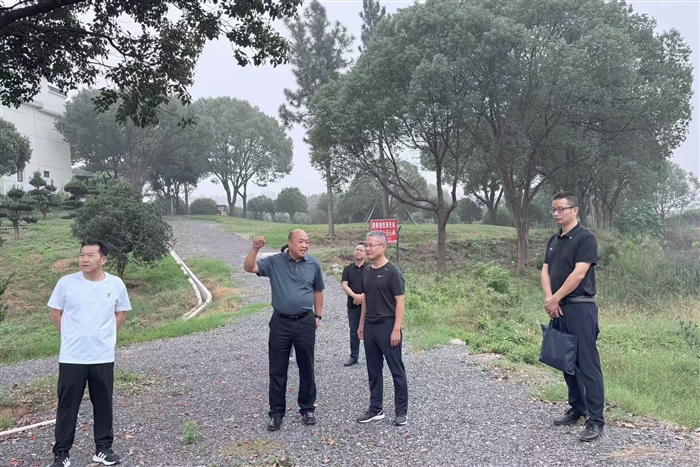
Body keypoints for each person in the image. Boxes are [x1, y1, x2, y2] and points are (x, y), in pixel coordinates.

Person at [46, 240, 131, 467]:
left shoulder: (115, 284)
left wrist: (105, 336)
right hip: (72, 356)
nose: (84, 259)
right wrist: (70, 337)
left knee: (103, 403)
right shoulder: (66, 283)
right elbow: (55, 313)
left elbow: (121, 313)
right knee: (67, 405)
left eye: (90, 255)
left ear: (103, 259)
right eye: (82, 255)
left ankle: (103, 449)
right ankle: (61, 453)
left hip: (102, 355)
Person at [244, 230, 325, 431]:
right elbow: (249, 267)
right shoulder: (274, 262)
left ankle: (307, 408)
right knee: (277, 369)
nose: (305, 245)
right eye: (301, 242)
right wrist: (255, 249)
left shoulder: (313, 264)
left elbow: (318, 290)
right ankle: (276, 413)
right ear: (289, 243)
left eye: (307, 242)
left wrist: (318, 316)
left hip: (305, 322)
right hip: (280, 322)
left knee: (307, 366)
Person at [541, 191, 605, 442]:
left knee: (587, 363)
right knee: (565, 360)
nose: (556, 213)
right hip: (558, 308)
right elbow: (545, 271)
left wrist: (556, 298)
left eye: (561, 209)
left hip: (580, 307)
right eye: (553, 209)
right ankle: (577, 408)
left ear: (574, 210)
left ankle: (596, 420)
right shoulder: (554, 239)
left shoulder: (585, 238)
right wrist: (551, 299)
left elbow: (579, 274)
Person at [356, 231, 408, 426]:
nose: (368, 249)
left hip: (388, 325)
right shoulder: (367, 271)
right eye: (366, 245)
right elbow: (365, 299)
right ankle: (375, 408)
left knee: (396, 370)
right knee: (373, 369)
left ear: (383, 247)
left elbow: (400, 302)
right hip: (370, 326)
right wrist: (361, 324)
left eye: (372, 245)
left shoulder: (392, 271)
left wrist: (396, 329)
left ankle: (401, 411)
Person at [341, 243, 367, 367]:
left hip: (368, 304)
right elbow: (344, 284)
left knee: (370, 330)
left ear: (366, 254)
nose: (358, 252)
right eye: (357, 249)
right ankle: (354, 356)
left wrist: (362, 297)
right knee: (354, 330)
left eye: (361, 250)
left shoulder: (369, 268)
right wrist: (354, 296)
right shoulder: (348, 269)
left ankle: (372, 356)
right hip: (353, 304)